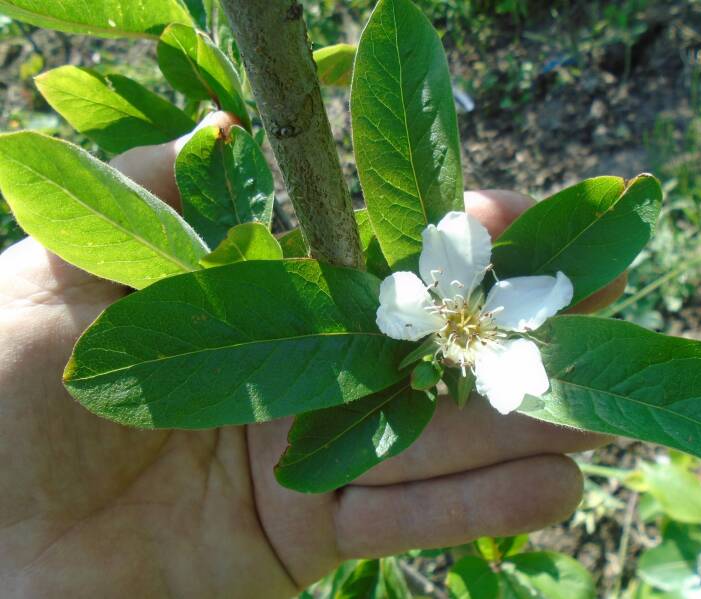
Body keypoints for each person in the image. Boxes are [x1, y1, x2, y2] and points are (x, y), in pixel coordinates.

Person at [0, 112, 614, 597]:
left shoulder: (473, 336)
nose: (462, 320)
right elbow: (399, 303)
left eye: (464, 322)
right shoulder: (405, 306)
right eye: (460, 319)